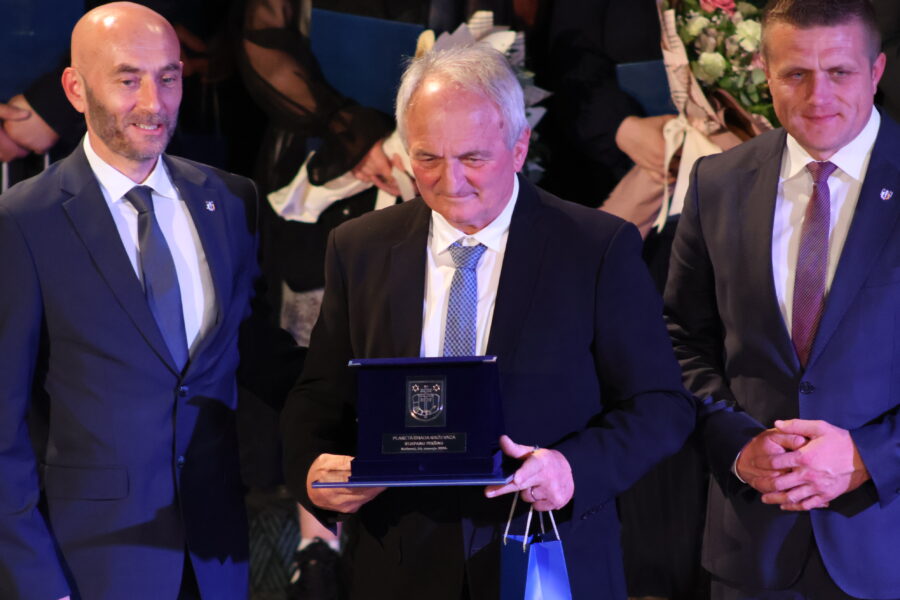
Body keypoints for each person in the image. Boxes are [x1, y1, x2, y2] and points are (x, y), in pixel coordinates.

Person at [280, 42, 696, 600]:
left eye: (473, 158)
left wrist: (572, 468)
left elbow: (662, 405)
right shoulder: (359, 248)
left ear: (519, 147)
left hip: (547, 557)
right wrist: (312, 472)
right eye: (428, 158)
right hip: (399, 569)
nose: (450, 181)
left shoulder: (594, 248)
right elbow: (318, 396)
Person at [0, 3, 301, 599]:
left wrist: (370, 401)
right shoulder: (24, 222)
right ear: (76, 89)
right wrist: (37, 583)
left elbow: (259, 354)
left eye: (168, 77)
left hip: (215, 559)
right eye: (128, 79)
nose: (153, 102)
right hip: (91, 567)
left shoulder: (230, 201)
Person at [665, 0, 900, 598]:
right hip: (751, 550)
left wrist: (871, 455)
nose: (818, 96)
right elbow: (680, 341)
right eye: (796, 73)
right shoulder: (717, 183)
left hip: (886, 545)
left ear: (876, 71)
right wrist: (737, 446)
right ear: (766, 74)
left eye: (840, 72)